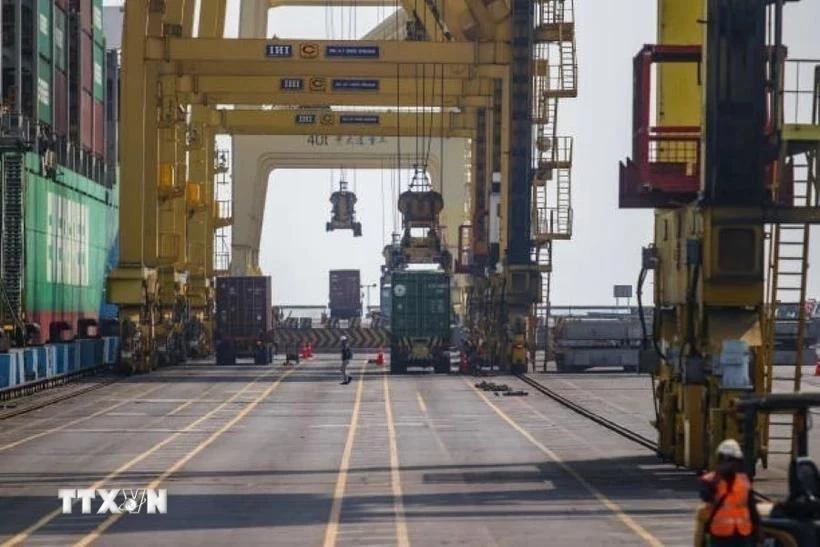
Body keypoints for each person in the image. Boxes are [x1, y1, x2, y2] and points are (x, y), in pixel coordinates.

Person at [698, 439, 760, 546]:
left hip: (742, 534)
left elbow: (752, 507)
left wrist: (758, 529)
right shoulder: (710, 480)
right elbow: (706, 497)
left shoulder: (744, 481)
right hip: (720, 535)